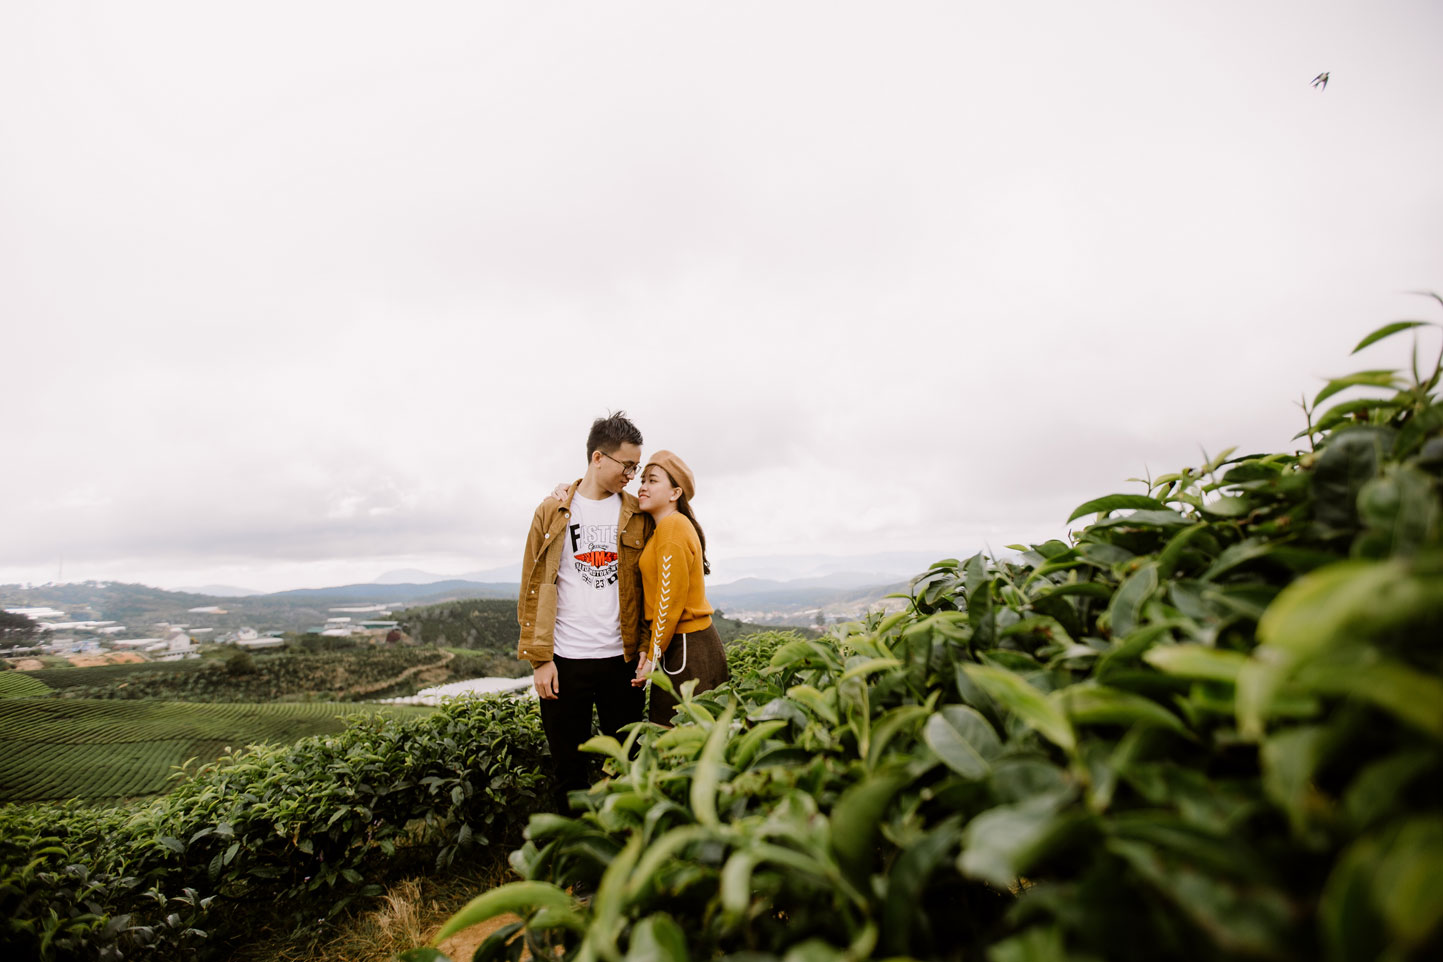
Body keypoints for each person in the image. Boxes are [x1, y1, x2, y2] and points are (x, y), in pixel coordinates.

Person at [517, 412, 650, 803]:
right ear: (598, 458)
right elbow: (532, 586)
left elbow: (647, 589)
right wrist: (540, 660)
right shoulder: (551, 510)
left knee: (626, 768)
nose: (632, 475)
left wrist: (646, 648)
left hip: (622, 664)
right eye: (627, 465)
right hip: (565, 663)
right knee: (568, 774)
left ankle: (623, 839)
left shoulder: (638, 514)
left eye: (637, 467)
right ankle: (573, 842)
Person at [631, 451, 729, 724]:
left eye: (652, 481)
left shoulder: (672, 527)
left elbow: (668, 601)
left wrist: (652, 658)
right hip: (683, 645)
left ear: (675, 493)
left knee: (677, 734)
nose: (643, 487)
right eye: (642, 480)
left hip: (687, 647)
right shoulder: (666, 527)